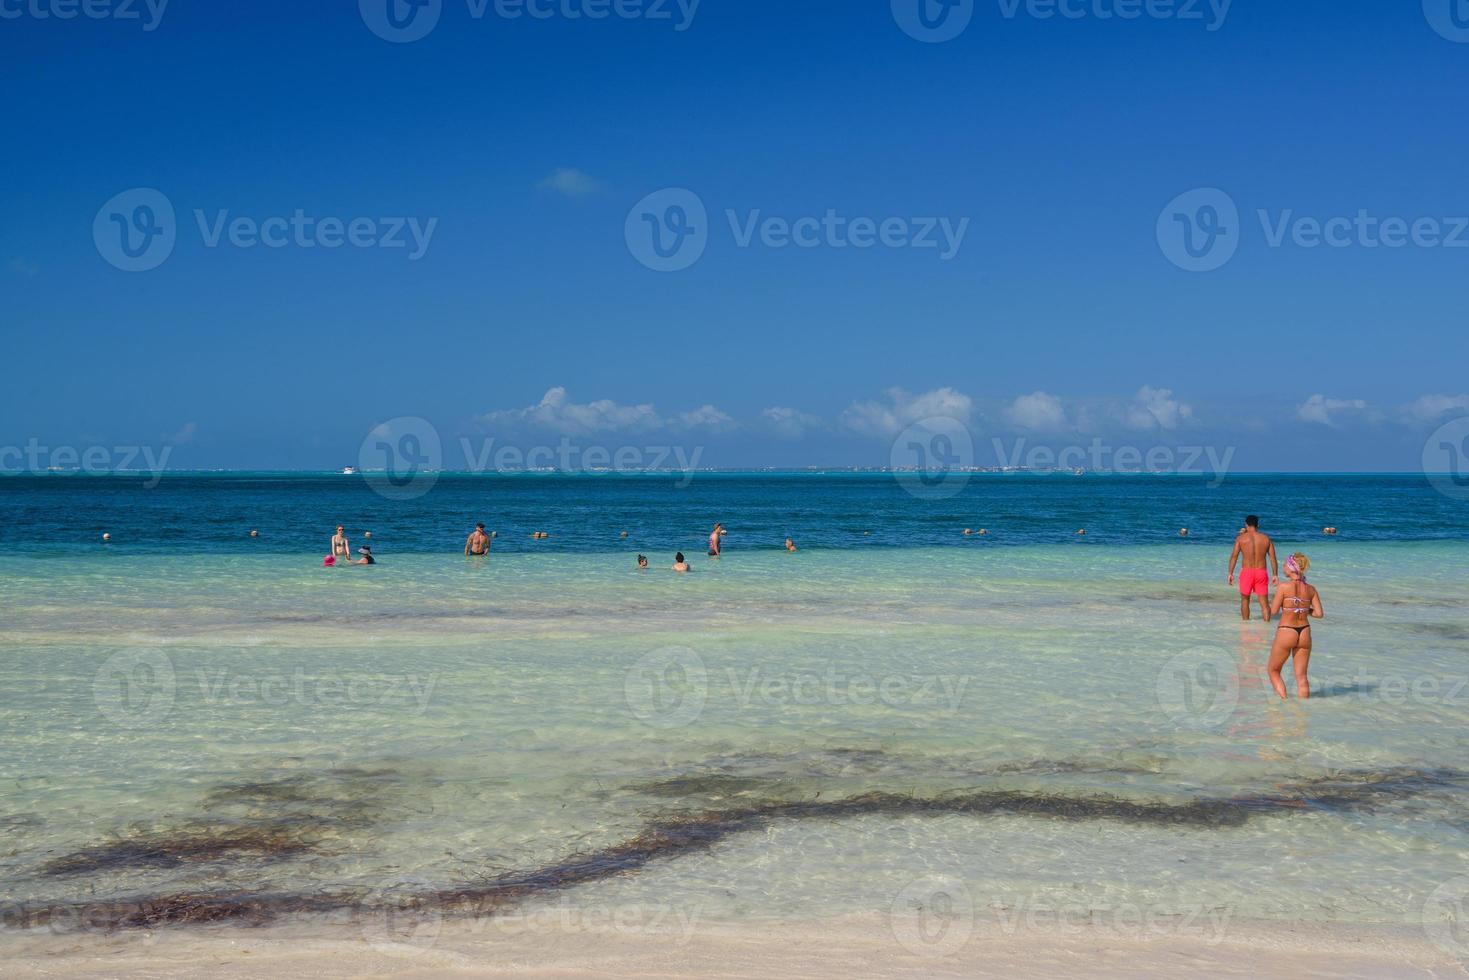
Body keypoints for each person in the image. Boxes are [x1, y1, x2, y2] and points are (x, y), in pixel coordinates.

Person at [1267, 553, 1323, 699]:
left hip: (1287, 631)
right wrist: (1305, 609)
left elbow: (1273, 611)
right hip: (1304, 631)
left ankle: (1284, 704)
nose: (1283, 567)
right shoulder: (1311, 589)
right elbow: (1319, 614)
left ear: (1292, 567)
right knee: (1302, 676)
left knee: (1273, 670)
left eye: (1285, 564)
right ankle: (1302, 713)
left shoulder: (1283, 587)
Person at [1228, 515, 1278, 622]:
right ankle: (1267, 628)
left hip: (1247, 572)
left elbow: (1234, 556)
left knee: (1245, 601)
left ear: (1246, 525)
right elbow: (1273, 558)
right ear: (1258, 525)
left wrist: (1230, 573)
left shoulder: (1241, 539)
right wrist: (1275, 575)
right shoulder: (1266, 538)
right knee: (1264, 603)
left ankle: (1245, 627)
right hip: (1261, 572)